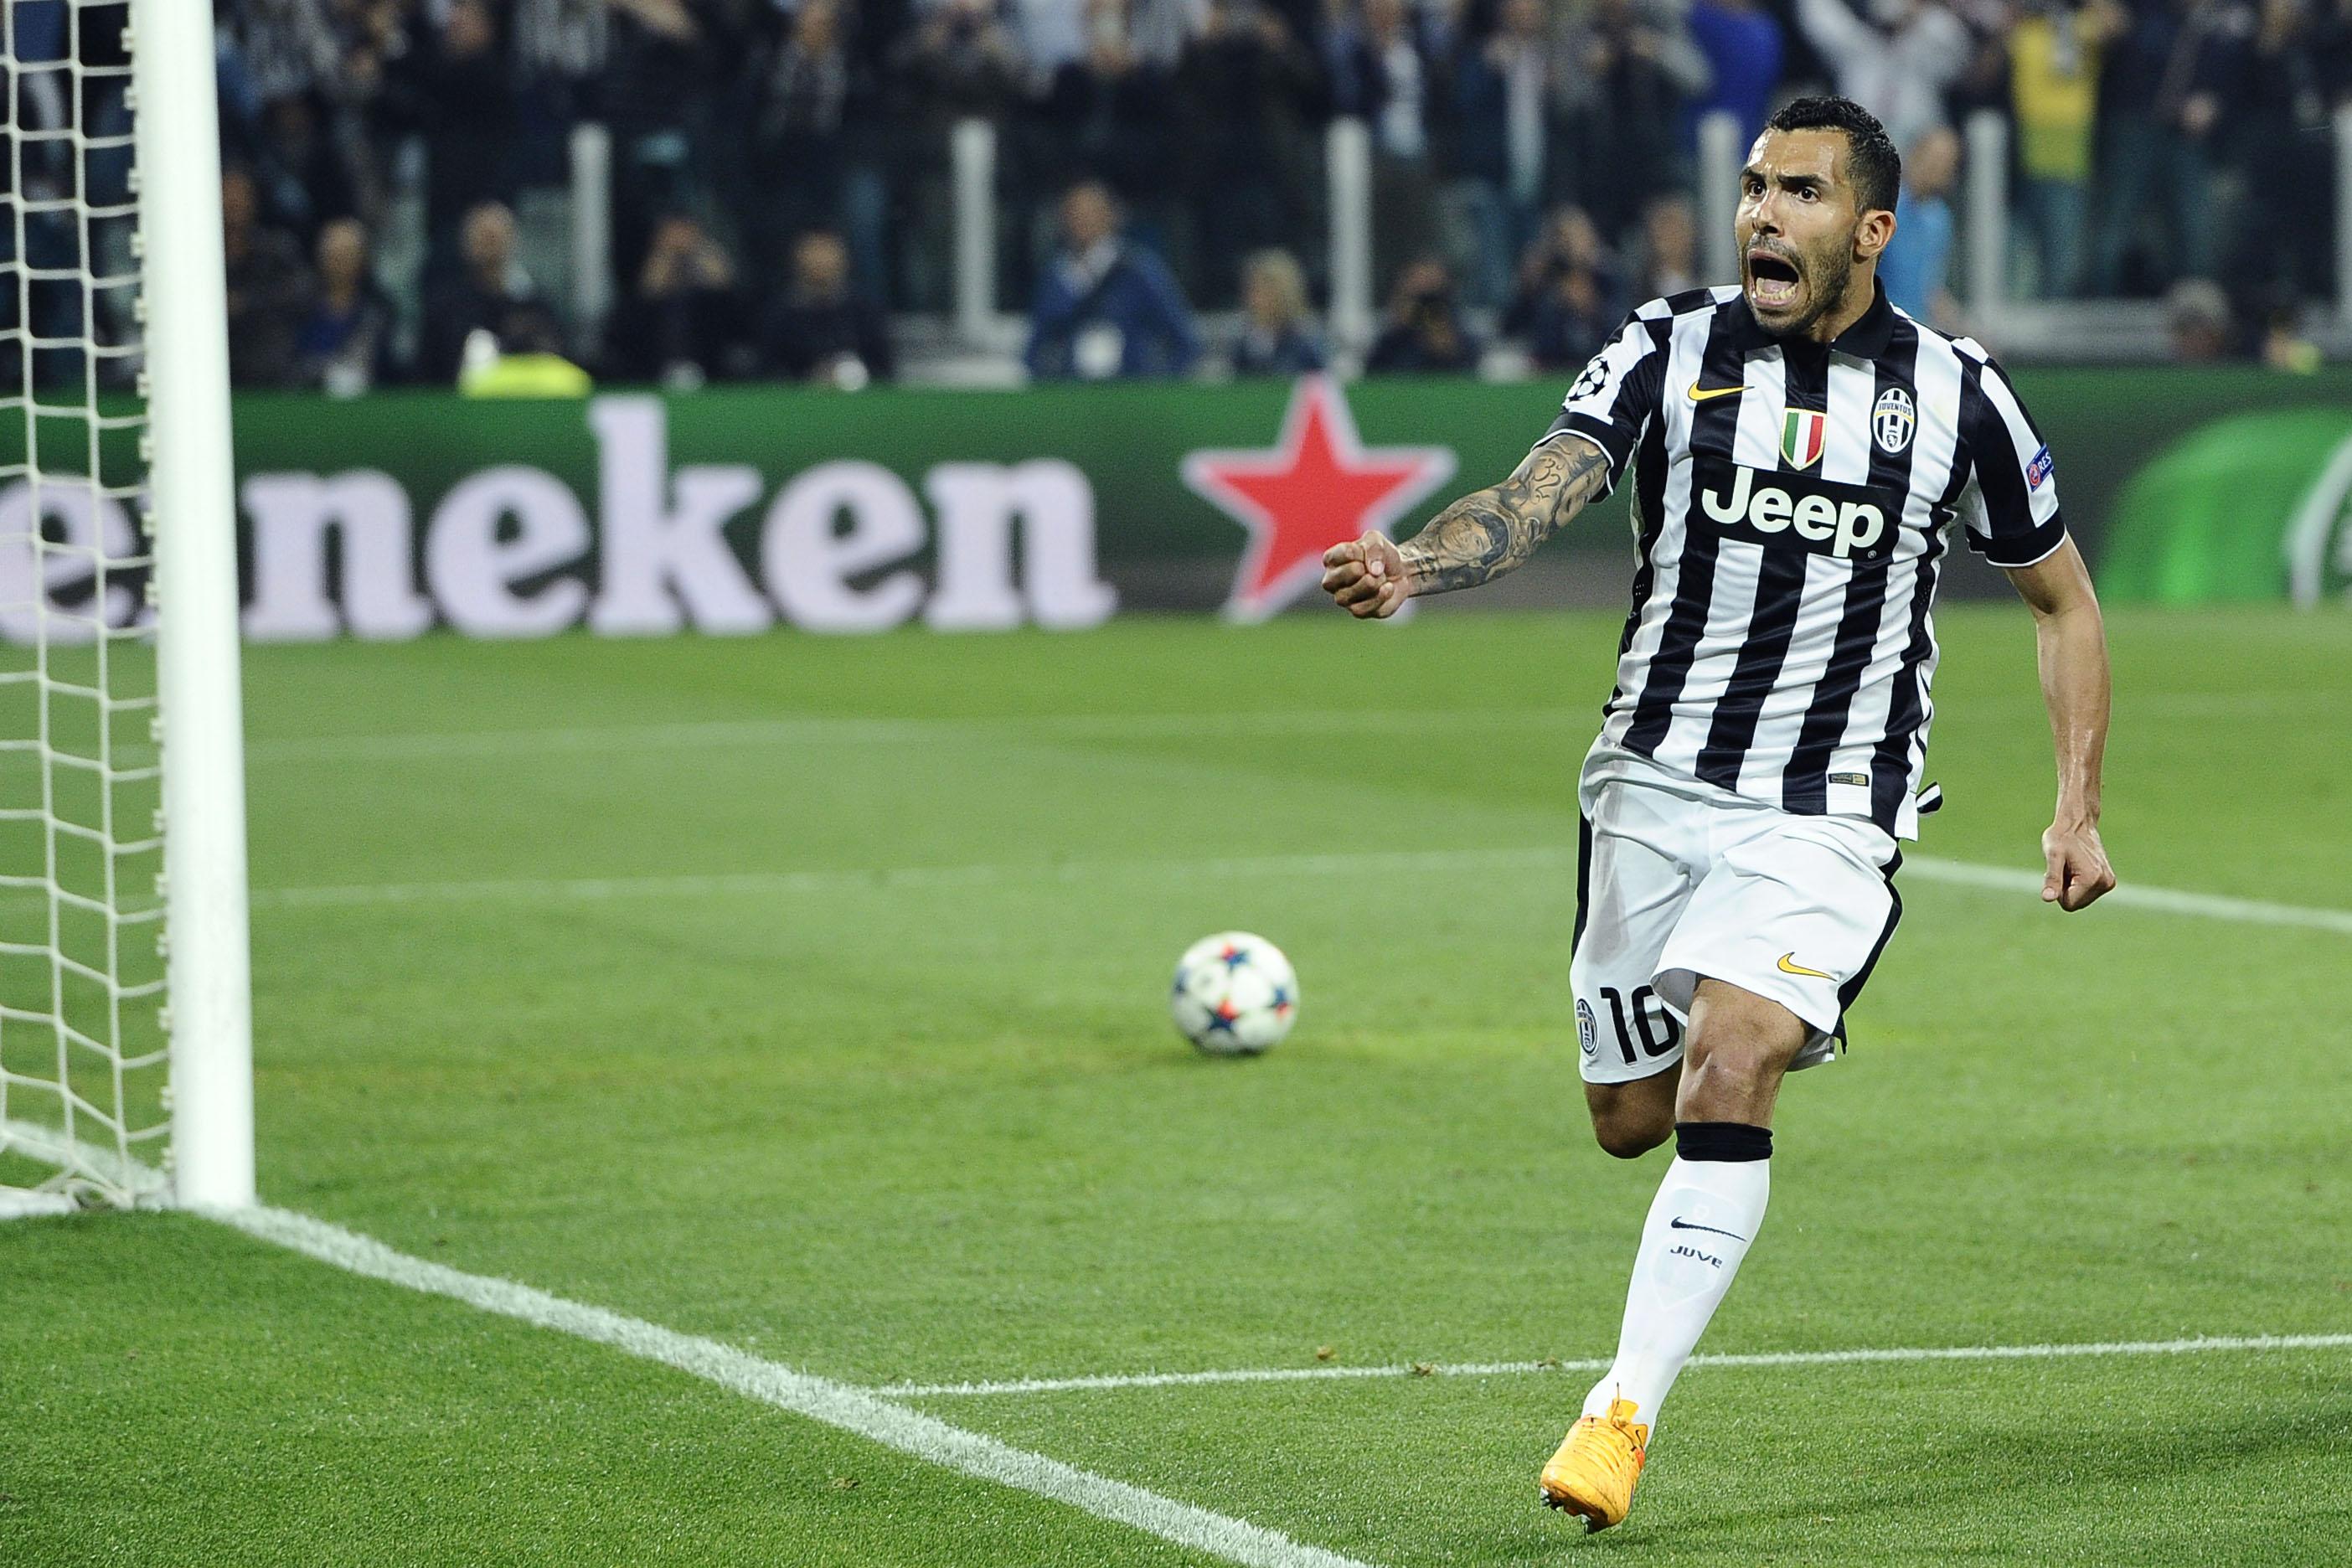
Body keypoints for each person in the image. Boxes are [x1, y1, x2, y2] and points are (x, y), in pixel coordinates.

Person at [1319, 96, 2116, 1533]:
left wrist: (2076, 807)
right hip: (1649, 783)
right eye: (1754, 186)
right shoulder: (1666, 344)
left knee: (1732, 1057)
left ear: (1870, 231)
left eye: (1799, 191)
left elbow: (2062, 601)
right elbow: (1539, 491)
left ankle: (1617, 1415)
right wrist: (1414, 568)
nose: (1761, 212)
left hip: (1830, 806)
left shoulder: (1958, 395)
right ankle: (1745, 1029)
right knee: (1630, 1119)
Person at [1025, 181, 1202, 380]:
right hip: (1072, 389)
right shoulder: (1055, 276)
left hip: (1132, 389)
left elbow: (1183, 340)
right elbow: (1036, 347)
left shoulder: (1138, 270)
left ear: (1109, 215)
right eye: (1074, 214)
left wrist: (1158, 383)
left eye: (1090, 213)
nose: (1081, 221)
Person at [418, 201, 568, 384]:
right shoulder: (446, 309)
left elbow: (556, 364)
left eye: (494, 238)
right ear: (466, 243)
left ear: (512, 240)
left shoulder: (535, 308)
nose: (489, 249)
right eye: (482, 238)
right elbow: (427, 372)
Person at [762, 230, 896, 386]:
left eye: (827, 250)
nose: (820, 260)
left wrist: (851, 374)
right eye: (814, 250)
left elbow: (883, 369)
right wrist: (810, 377)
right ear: (797, 258)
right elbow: (768, 371)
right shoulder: (781, 314)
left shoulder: (864, 311)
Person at [296, 217, 399, 394]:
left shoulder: (380, 312)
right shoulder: (298, 307)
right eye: (334, 254)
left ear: (363, 258)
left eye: (347, 254)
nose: (340, 262)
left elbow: (391, 370)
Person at [1879, 123, 1959, 325]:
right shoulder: (1883, 204)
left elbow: (1930, 288)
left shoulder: (1939, 219)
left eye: (1946, 163)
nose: (1937, 169)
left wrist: (1966, 329)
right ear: (1914, 155)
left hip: (1913, 328)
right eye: (1933, 160)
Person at [1366, 257, 1482, 374]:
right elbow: (1375, 370)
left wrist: (1444, 340)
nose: (1424, 307)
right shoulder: (1392, 333)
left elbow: (1468, 366)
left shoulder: (1460, 328)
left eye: (1432, 296)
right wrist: (1400, 325)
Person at [1230, 249, 1326, 375]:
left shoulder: (1306, 341)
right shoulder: (1243, 343)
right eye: (1253, 290)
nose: (1254, 299)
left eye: (1264, 291)